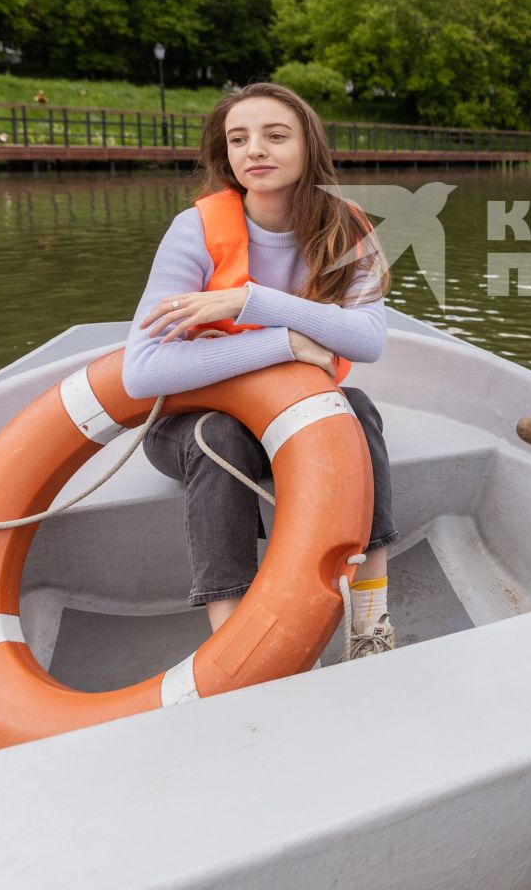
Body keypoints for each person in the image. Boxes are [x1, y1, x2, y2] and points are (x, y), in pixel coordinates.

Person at [121, 82, 399, 659]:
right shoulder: (193, 230)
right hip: (192, 422)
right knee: (216, 435)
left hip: (294, 418)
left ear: (308, 148)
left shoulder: (349, 230)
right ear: (225, 155)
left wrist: (252, 302)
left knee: (360, 409)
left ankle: (370, 624)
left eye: (276, 136)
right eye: (239, 139)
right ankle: (236, 645)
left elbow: (368, 340)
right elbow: (141, 372)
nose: (256, 151)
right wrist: (289, 344)